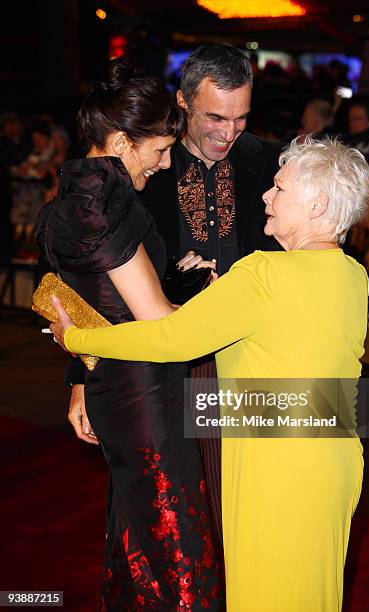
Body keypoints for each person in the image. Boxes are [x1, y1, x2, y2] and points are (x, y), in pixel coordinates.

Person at [51, 136, 369, 611]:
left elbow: (169, 339)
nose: (266, 196)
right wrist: (223, 301)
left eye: (280, 190)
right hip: (335, 461)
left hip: (278, 469)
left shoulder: (263, 274)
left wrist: (76, 339)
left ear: (318, 204)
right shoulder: (353, 276)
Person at [67, 43, 283, 544]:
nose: (228, 132)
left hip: (252, 361)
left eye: (241, 118)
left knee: (250, 509)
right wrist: (81, 376)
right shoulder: (143, 170)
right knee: (171, 513)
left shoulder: (273, 162)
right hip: (164, 365)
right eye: (215, 117)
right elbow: (87, 279)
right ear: (183, 101)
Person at [37, 59, 224, 611]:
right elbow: (159, 324)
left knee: (139, 538)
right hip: (146, 393)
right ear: (121, 141)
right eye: (160, 150)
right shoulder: (110, 204)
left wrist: (78, 383)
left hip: (115, 388)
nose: (166, 164)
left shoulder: (70, 199)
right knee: (179, 545)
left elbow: (85, 299)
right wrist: (220, 298)